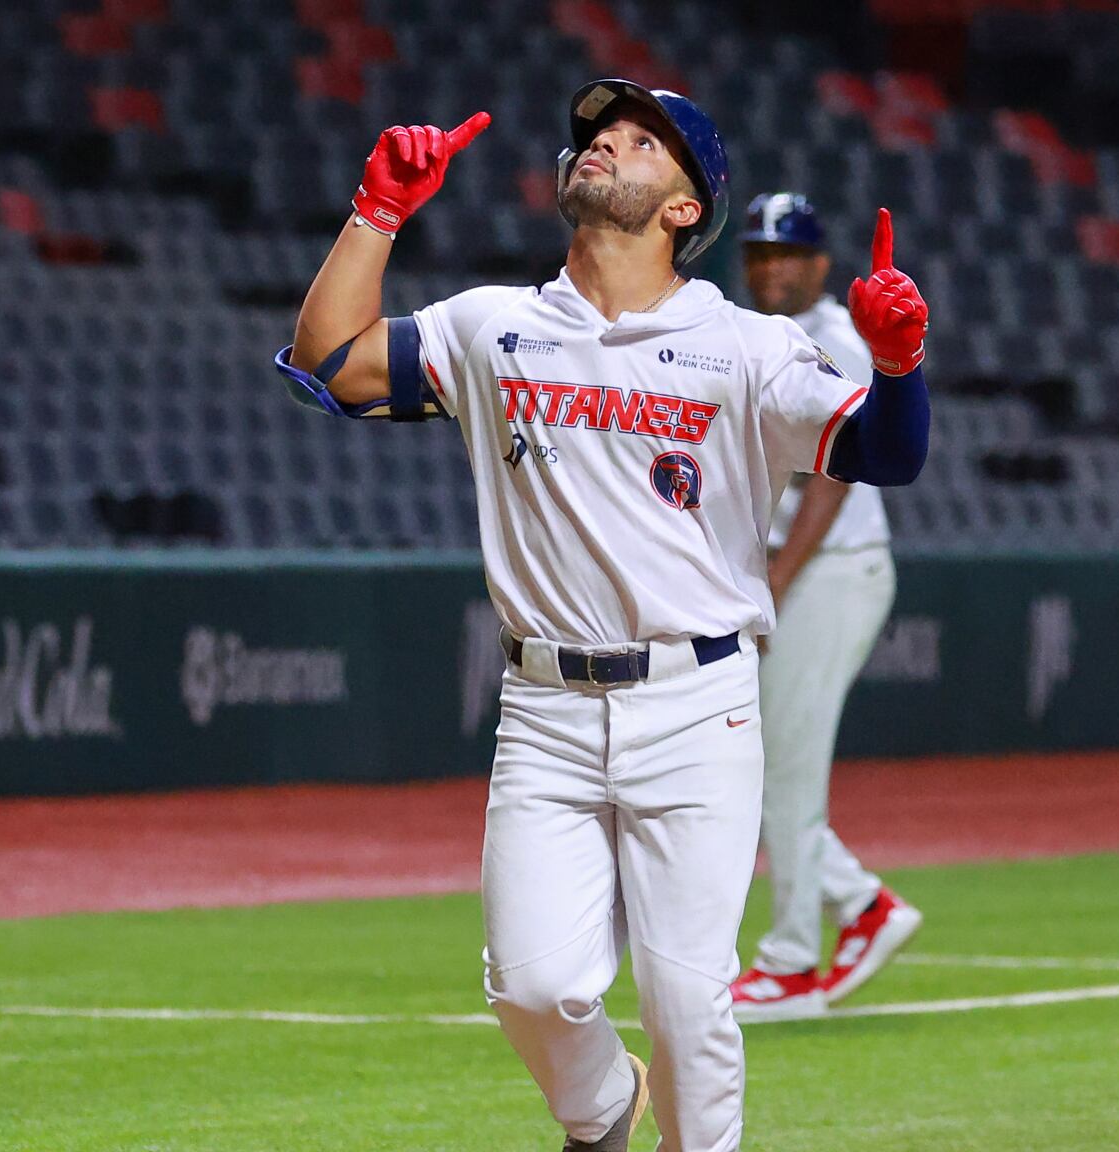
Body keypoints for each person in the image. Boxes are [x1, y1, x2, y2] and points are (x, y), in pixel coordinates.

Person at [274, 80, 931, 1151]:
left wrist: (897, 364)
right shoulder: (492, 326)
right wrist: (377, 212)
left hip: (695, 699)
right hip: (544, 708)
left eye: (639, 143)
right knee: (531, 990)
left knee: (687, 1004)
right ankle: (600, 1111)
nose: (602, 147)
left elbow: (883, 453)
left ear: (684, 208)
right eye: (596, 135)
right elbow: (330, 362)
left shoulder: (744, 347)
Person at [727, 194, 925, 1024]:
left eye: (789, 253)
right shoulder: (756, 333)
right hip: (804, 570)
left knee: (785, 769)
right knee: (770, 767)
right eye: (760, 253)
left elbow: (832, 480)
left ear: (819, 263)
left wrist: (774, 584)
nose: (772, 267)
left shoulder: (839, 338)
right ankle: (864, 904)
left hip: (829, 570)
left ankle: (792, 964)